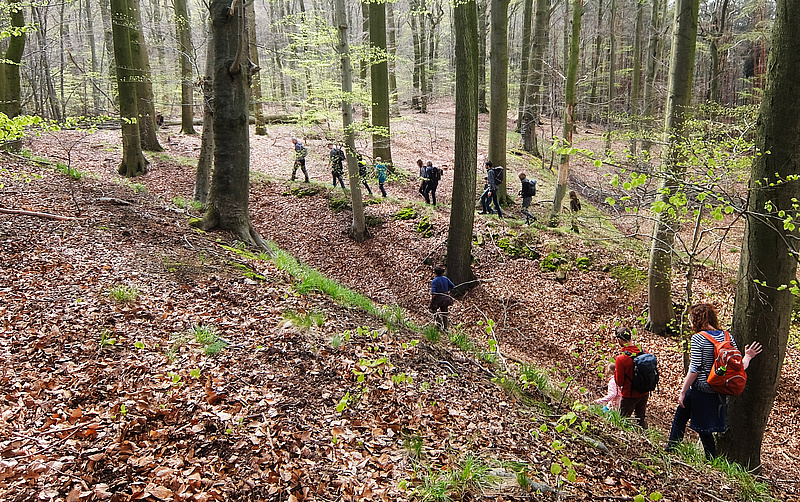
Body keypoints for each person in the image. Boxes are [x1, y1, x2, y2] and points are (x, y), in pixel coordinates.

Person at [666, 303, 762, 459]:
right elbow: (739, 366)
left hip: (701, 389)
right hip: (718, 390)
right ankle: (707, 459)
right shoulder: (727, 336)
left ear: (696, 320)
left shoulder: (698, 338)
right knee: (701, 427)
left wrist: (683, 391)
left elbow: (694, 369)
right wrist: (748, 356)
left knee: (685, 421)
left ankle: (673, 451)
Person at [614, 327, 650, 428]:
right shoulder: (644, 352)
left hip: (629, 394)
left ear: (620, 340)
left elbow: (620, 382)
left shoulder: (621, 358)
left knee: (622, 420)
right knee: (640, 418)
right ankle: (645, 438)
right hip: (645, 392)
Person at [429, 266, 455, 331]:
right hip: (446, 298)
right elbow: (453, 286)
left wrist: (433, 300)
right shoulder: (446, 279)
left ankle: (438, 322)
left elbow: (433, 292)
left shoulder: (434, 281)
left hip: (438, 298)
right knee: (445, 312)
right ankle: (445, 328)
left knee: (432, 309)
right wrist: (450, 293)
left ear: (435, 273)